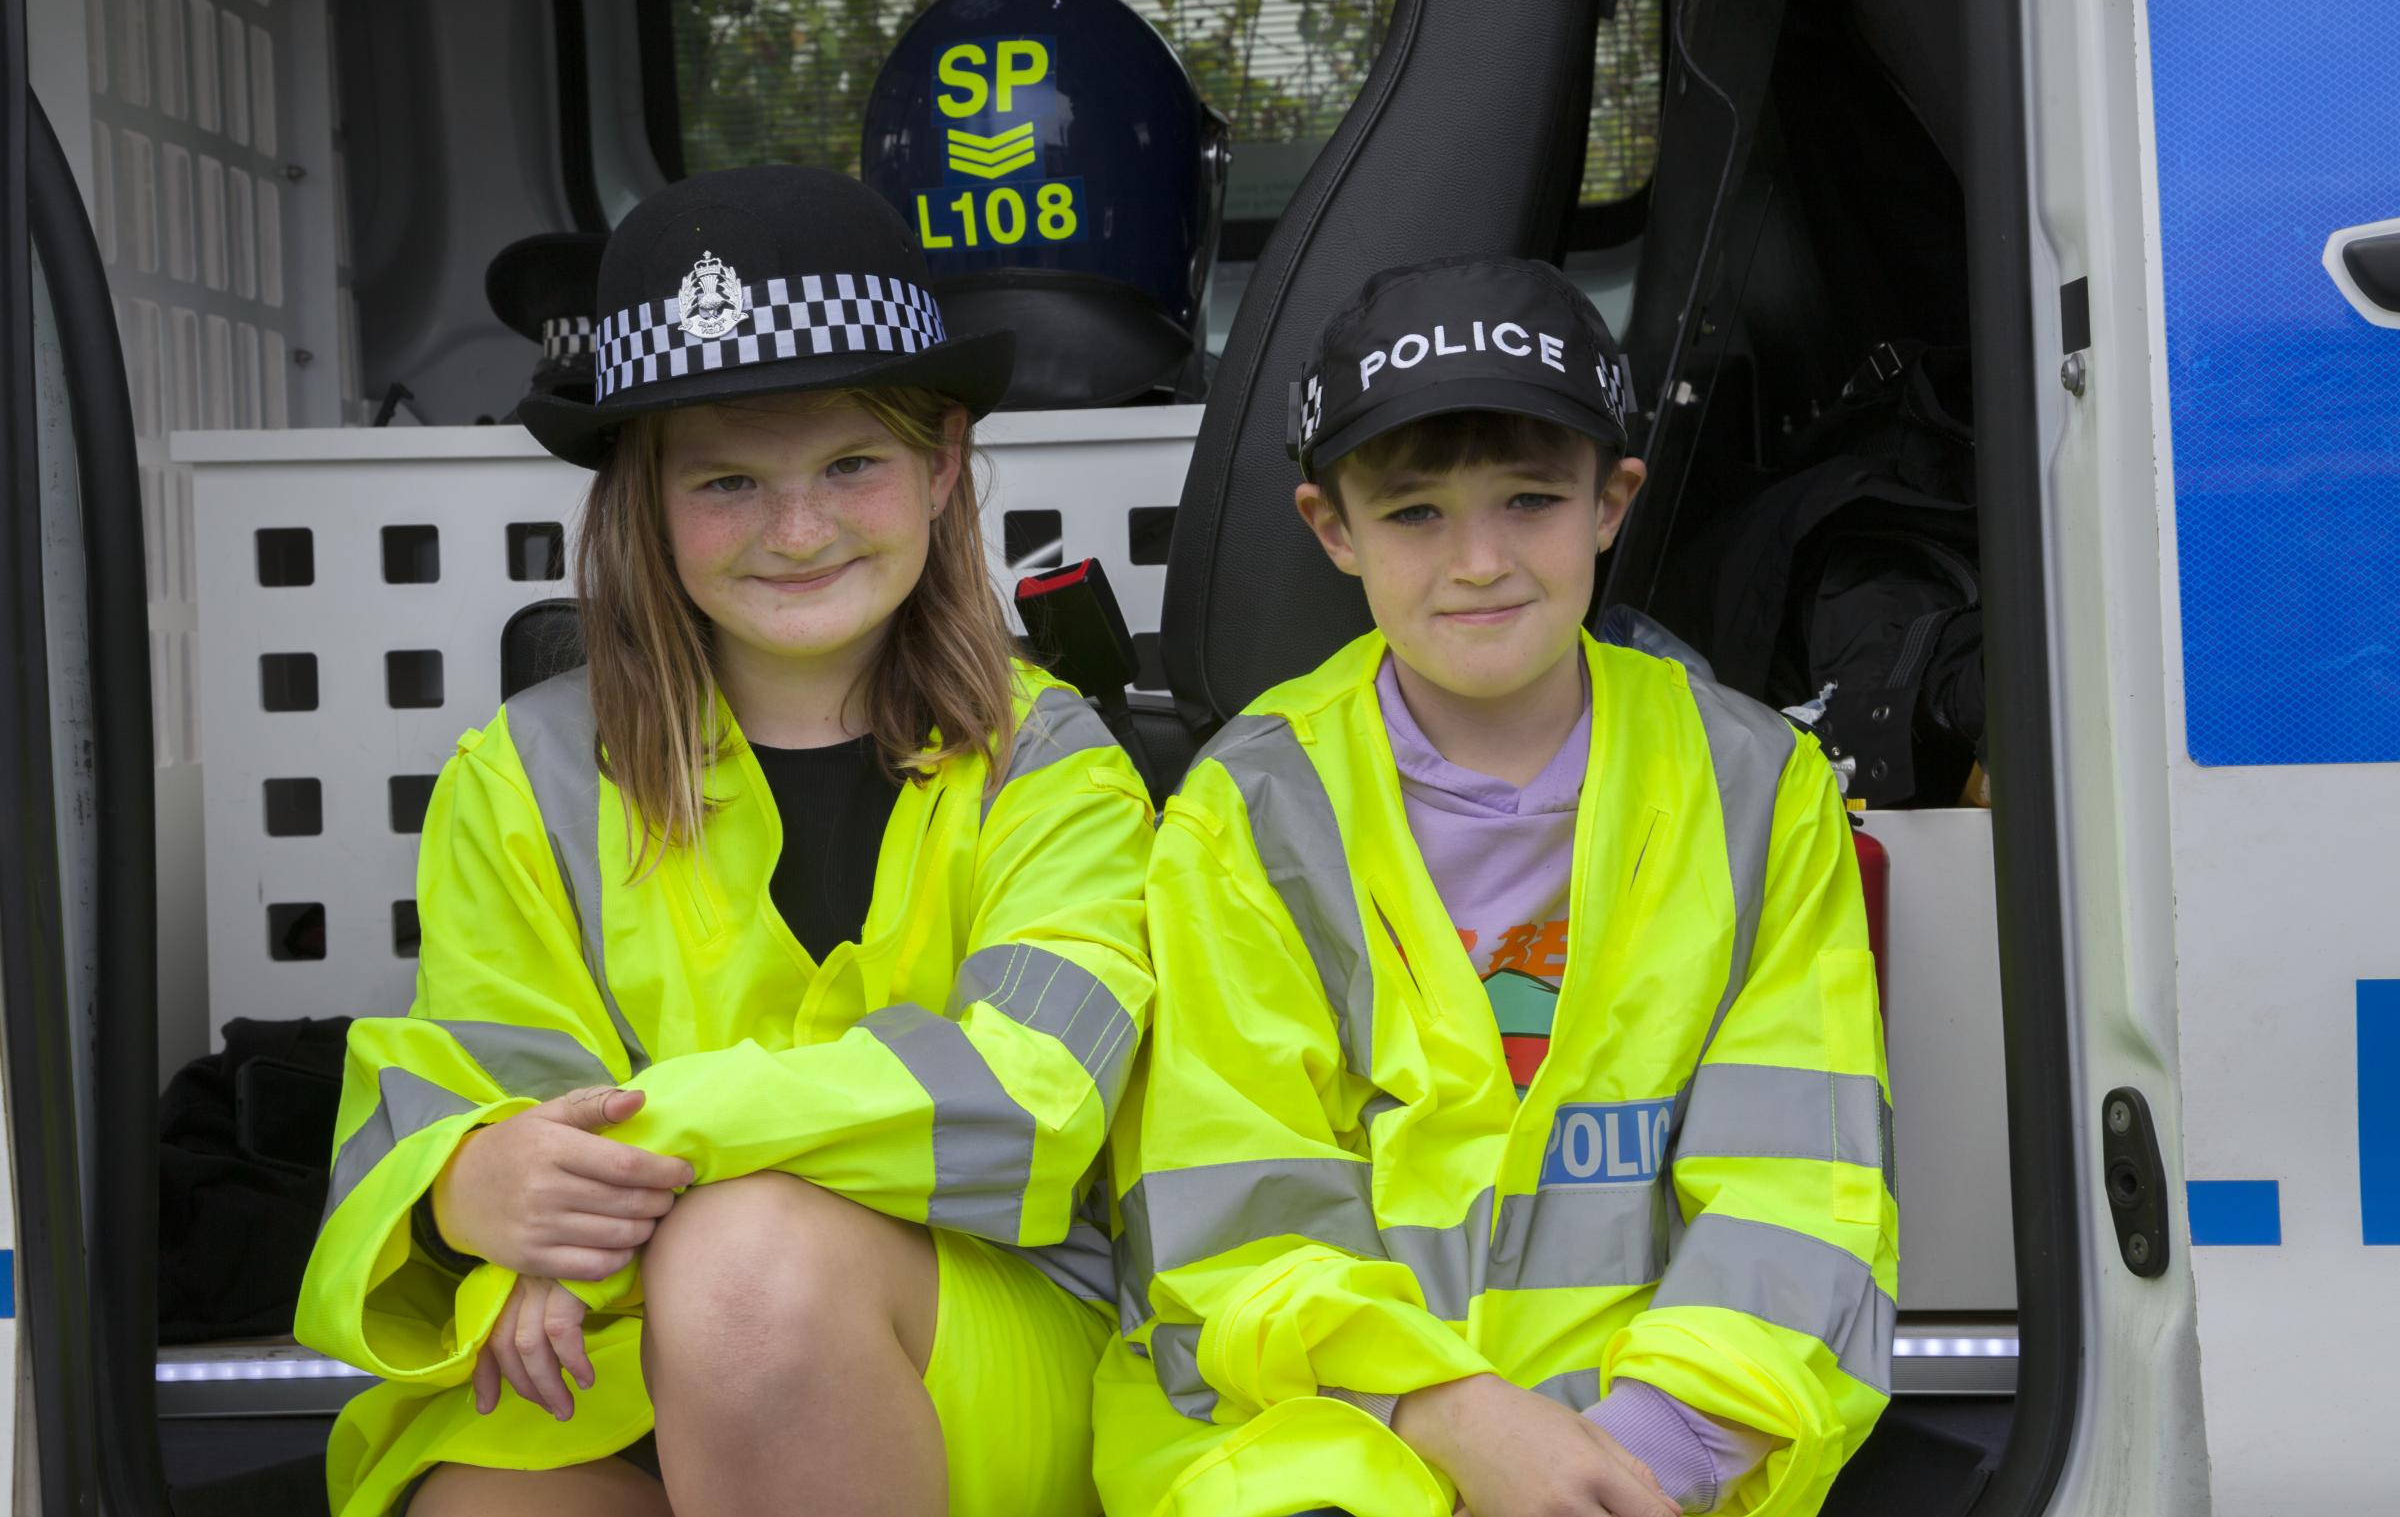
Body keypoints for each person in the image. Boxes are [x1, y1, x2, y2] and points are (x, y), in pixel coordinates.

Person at [296, 166, 1157, 1517]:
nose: (798, 530)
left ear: (942, 465)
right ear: (645, 497)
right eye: (728, 481)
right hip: (612, 1342)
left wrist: (646, 1157)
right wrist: (474, 1189)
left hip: (980, 1339)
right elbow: (473, 1091)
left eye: (852, 464)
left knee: (746, 1273)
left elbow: (1032, 1104)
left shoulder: (1056, 769)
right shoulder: (519, 777)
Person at [1095, 257, 1895, 1517]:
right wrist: (1450, 1427)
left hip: (1655, 1458)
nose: (1477, 560)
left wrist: (1638, 1461)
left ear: (1612, 502)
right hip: (1321, 1448)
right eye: (1415, 513)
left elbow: (1797, 1192)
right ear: (1332, 527)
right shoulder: (1243, 810)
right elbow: (1233, 1228)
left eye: (1529, 499)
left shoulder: (1759, 786)